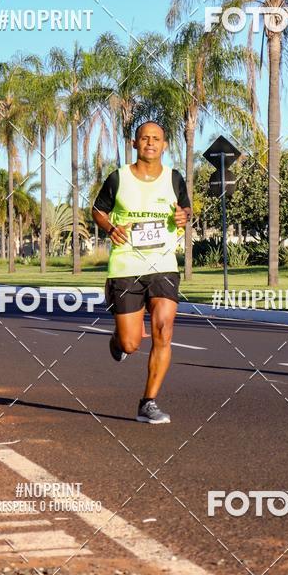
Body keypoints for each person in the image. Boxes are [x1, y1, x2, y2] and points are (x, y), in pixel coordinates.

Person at [92, 121, 191, 424]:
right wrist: (110, 228)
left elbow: (186, 210)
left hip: (163, 264)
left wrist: (183, 216)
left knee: (164, 328)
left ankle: (148, 402)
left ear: (164, 145)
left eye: (156, 138)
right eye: (145, 138)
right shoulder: (118, 178)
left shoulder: (174, 178)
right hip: (126, 266)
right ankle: (118, 341)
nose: (150, 143)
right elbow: (98, 210)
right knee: (131, 344)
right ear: (134, 144)